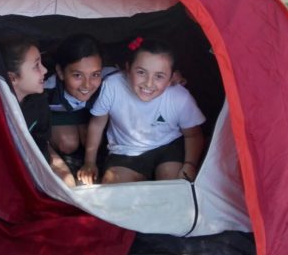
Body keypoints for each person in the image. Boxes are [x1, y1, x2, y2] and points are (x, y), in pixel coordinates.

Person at [77, 37, 205, 185]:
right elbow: (97, 124)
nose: (148, 83)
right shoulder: (112, 86)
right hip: (125, 151)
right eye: (141, 72)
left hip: (167, 148)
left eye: (159, 76)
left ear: (171, 79)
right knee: (115, 194)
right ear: (127, 69)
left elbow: (193, 135)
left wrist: (189, 164)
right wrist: (89, 162)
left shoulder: (179, 97)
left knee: (173, 187)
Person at [0, 34, 76, 186]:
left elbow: (41, 140)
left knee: (67, 183)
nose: (45, 70)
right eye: (36, 66)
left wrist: (59, 171)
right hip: (5, 170)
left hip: (32, 159)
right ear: (12, 78)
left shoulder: (38, 101)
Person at [44, 34, 111, 180]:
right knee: (68, 144)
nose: (87, 85)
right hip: (57, 115)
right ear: (61, 72)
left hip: (89, 114)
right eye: (77, 75)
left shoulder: (110, 81)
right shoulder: (47, 90)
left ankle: (81, 126)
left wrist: (173, 80)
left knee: (94, 141)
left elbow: (133, 78)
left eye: (95, 74)